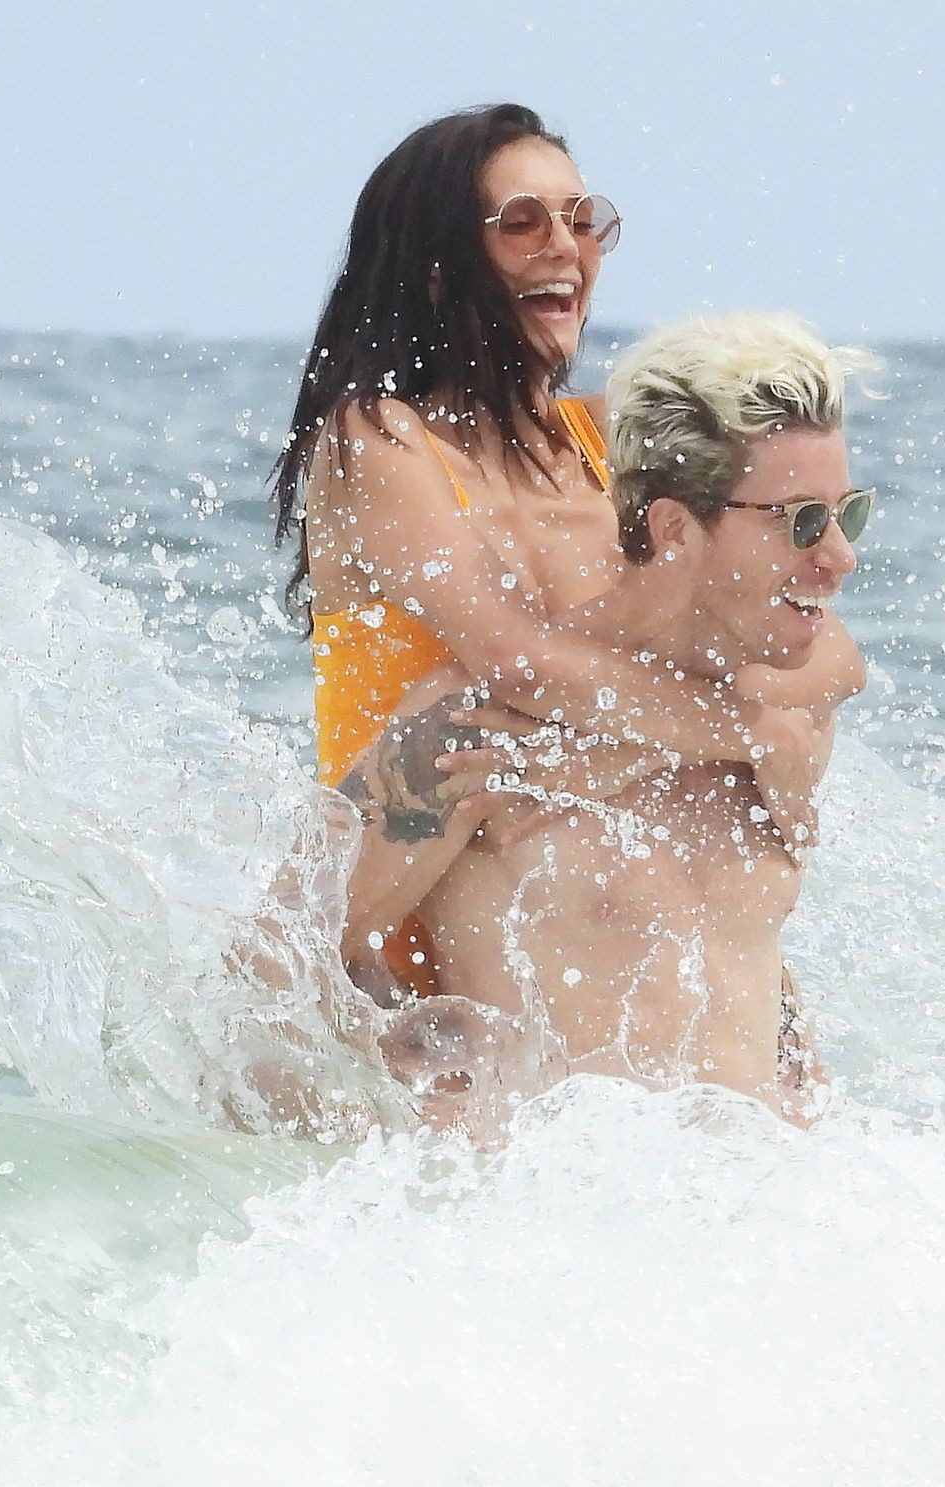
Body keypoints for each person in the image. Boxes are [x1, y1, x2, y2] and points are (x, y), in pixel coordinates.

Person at [267, 105, 864, 999]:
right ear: (439, 266)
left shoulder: (607, 441)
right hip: (376, 942)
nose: (565, 247)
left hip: (560, 935)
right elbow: (513, 660)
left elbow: (823, 649)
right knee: (464, 717)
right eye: (523, 222)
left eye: (583, 220)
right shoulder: (379, 439)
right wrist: (749, 732)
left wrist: (625, 750)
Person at [334, 312, 873, 1131]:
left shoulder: (781, 702)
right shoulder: (483, 730)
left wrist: (811, 1110)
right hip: (559, 1190)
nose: (840, 557)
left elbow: (734, 962)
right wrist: (426, 1080)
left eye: (848, 514)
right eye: (800, 521)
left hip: (765, 1190)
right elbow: (281, 956)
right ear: (674, 527)